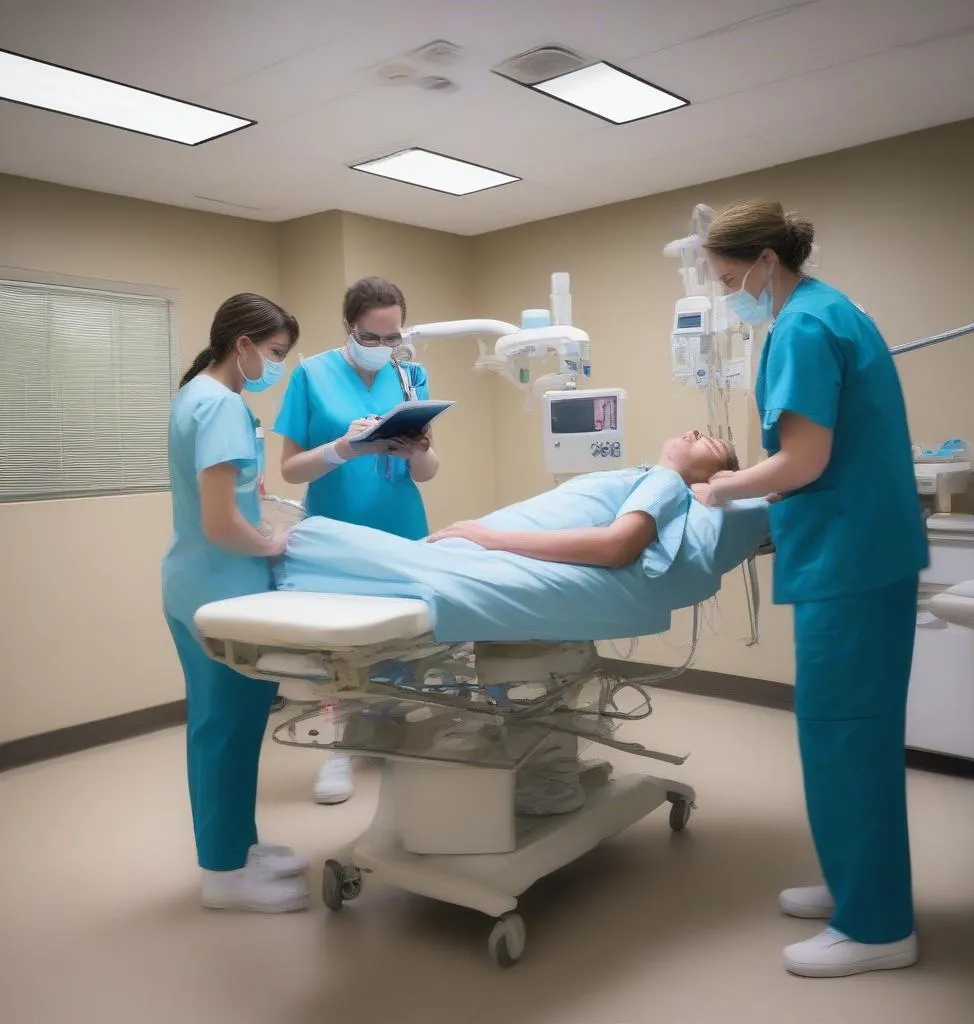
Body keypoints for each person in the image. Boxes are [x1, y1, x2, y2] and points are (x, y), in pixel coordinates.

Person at [691, 200, 927, 978]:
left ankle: (877, 927)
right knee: (845, 736)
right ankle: (854, 885)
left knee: (844, 736)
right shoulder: (834, 310)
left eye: (730, 279)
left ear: (766, 259)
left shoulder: (800, 326)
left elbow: (803, 461)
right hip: (861, 550)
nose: (730, 295)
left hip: (849, 560)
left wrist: (721, 488)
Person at [162, 293, 307, 913]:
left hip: (202, 583)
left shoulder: (199, 395)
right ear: (241, 345)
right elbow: (223, 525)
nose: (276, 366)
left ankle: (238, 846)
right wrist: (274, 545)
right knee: (225, 730)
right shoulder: (220, 406)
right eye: (274, 354)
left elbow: (225, 501)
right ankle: (222, 873)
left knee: (234, 725)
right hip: (220, 591)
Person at [275, 276, 440, 804]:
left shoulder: (411, 374)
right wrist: (343, 449)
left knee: (401, 642)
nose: (385, 350)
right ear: (349, 329)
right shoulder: (311, 376)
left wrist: (414, 450)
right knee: (340, 647)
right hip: (337, 532)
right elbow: (291, 471)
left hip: (401, 526)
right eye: (373, 338)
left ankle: (387, 734)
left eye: (394, 338)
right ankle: (339, 748)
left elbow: (429, 472)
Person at [428, 429, 737, 563]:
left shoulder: (668, 482)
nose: (694, 433)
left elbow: (616, 547)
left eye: (708, 443)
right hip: (474, 540)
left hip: (482, 545)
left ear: (709, 478)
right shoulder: (647, 476)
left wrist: (490, 539)